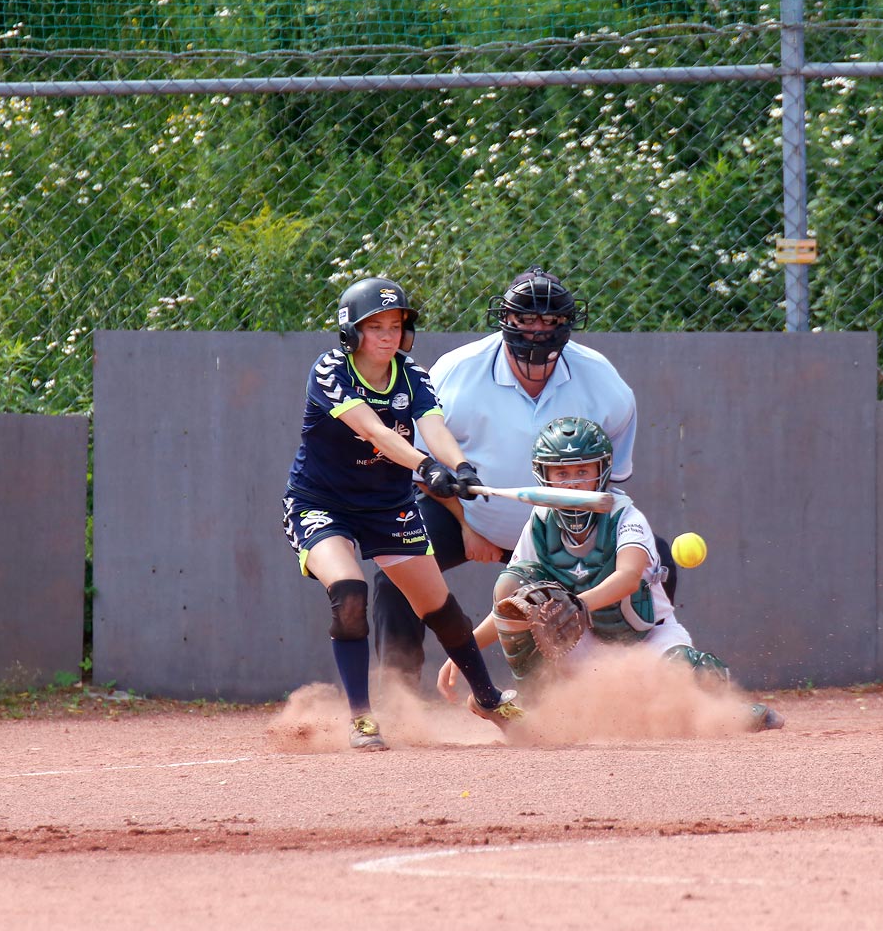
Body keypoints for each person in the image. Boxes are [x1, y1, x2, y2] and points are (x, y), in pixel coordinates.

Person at [371, 268, 680, 682]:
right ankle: (399, 696)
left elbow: (608, 482)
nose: (538, 331)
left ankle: (632, 683)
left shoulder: (603, 382)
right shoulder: (457, 372)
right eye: (526, 319)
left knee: (654, 558)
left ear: (567, 324)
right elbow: (424, 465)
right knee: (398, 568)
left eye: (550, 321)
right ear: (506, 319)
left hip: (564, 533)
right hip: (469, 518)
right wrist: (466, 527)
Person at [282, 276, 524, 751]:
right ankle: (362, 719)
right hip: (320, 504)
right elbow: (377, 433)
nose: (389, 336)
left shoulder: (412, 374)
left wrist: (460, 467)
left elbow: (433, 426)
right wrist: (426, 468)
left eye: (396, 326)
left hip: (387, 506)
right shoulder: (331, 370)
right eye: (376, 327)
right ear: (351, 333)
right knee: (349, 592)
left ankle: (490, 699)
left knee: (439, 608)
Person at [435, 416, 783, 730]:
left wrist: (578, 605)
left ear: (602, 471)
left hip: (647, 638)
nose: (572, 484)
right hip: (581, 645)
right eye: (562, 474)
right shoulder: (540, 522)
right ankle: (534, 704)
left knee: (697, 676)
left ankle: (721, 711)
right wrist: (465, 649)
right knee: (513, 584)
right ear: (544, 476)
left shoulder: (625, 516)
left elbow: (628, 575)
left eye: (582, 471)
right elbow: (511, 604)